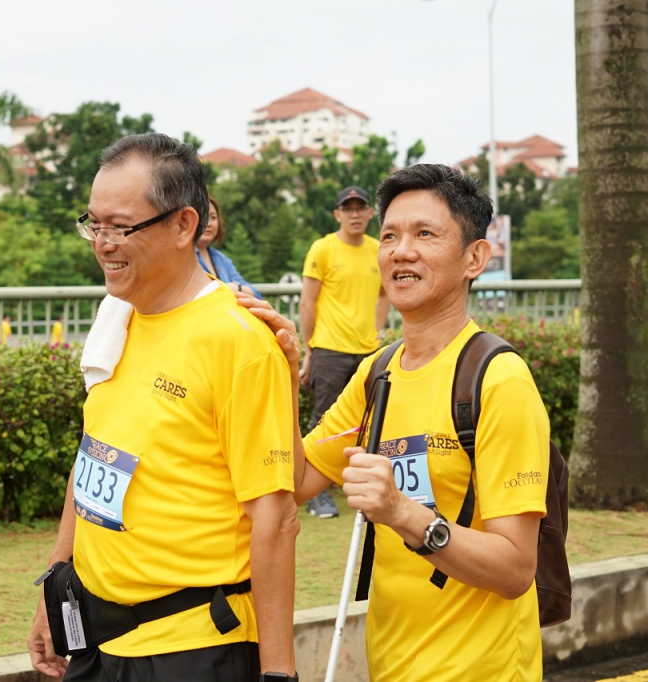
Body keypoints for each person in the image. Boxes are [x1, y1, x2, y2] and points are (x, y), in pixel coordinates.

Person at [242, 164, 550, 681]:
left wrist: (402, 513)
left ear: (474, 257)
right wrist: (280, 372)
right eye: (389, 236)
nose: (400, 251)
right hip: (391, 665)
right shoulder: (377, 373)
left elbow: (517, 570)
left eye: (425, 234)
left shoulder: (499, 381)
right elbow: (294, 481)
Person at [27, 133, 299, 682]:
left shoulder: (237, 340)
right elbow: (93, 460)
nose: (102, 243)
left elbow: (274, 517)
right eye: (94, 224)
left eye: (121, 227)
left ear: (183, 225)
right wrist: (56, 591)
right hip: (101, 639)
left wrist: (278, 673)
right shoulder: (117, 319)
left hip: (193, 645)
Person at [300, 186, 389, 518]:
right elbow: (307, 302)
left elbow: (385, 294)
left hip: (369, 351)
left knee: (372, 421)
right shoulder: (322, 249)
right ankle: (314, 495)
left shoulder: (378, 250)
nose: (354, 214)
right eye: (347, 208)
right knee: (323, 419)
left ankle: (367, 490)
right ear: (337, 214)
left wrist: (378, 329)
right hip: (329, 348)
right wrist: (310, 349)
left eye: (360, 207)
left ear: (370, 213)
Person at [195, 195, 260, 297]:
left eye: (213, 217)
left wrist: (236, 287)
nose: (209, 223)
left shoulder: (221, 258)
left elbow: (255, 294)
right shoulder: (183, 258)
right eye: (203, 217)